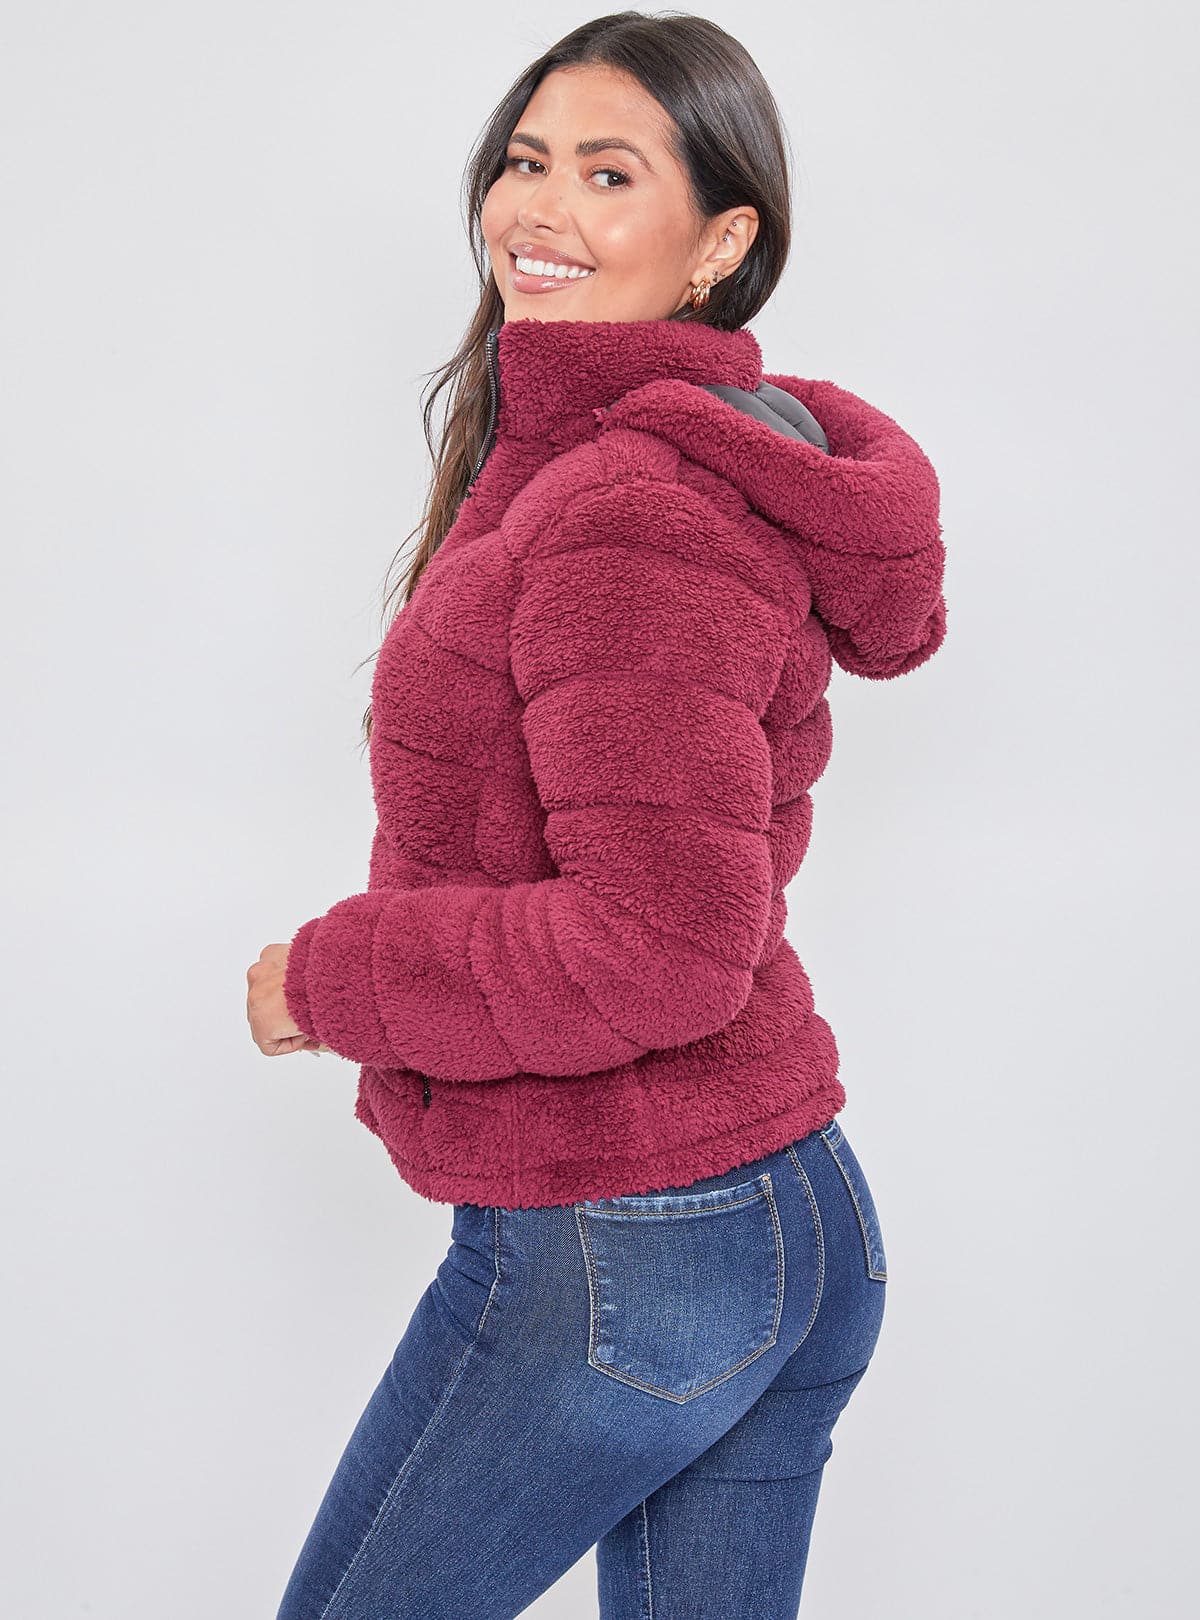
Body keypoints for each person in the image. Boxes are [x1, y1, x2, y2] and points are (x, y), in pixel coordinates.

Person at [246, 12, 947, 1617]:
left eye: (610, 174)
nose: (540, 209)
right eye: (527, 160)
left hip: (634, 1234)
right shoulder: (605, 466)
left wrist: (331, 982)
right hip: (770, 1204)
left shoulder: (631, 507)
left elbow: (662, 944)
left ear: (721, 244)